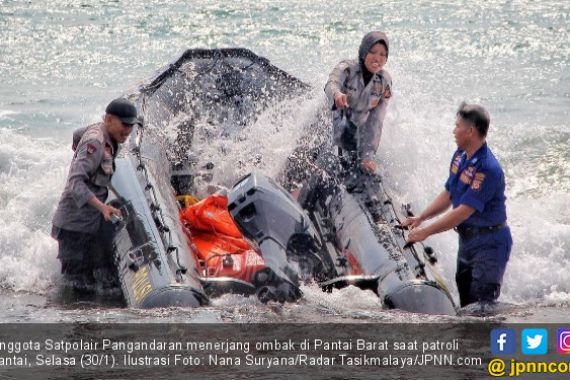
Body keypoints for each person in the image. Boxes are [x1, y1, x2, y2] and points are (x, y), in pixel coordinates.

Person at [402, 102, 512, 307]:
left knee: (482, 308)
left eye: (457, 126)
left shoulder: (488, 168)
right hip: (467, 242)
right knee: (466, 305)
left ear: (470, 131)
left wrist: (426, 232)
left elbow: (463, 212)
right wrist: (421, 218)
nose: (454, 131)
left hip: (489, 244)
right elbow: (450, 193)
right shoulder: (460, 156)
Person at [51, 98, 139, 290]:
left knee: (96, 281)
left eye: (131, 125)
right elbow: (75, 182)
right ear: (108, 120)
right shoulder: (95, 144)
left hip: (89, 224)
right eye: (125, 124)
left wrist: (79, 151)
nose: (128, 130)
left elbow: (77, 134)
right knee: (77, 286)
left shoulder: (108, 138)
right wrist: (102, 207)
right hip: (73, 227)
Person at [324, 30, 392, 173]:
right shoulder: (347, 68)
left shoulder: (384, 82)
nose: (377, 58)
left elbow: (376, 120)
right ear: (363, 52)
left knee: (361, 158)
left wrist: (368, 156)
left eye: (382, 55)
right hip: (327, 120)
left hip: (354, 128)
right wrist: (337, 94)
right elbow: (331, 83)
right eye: (373, 52)